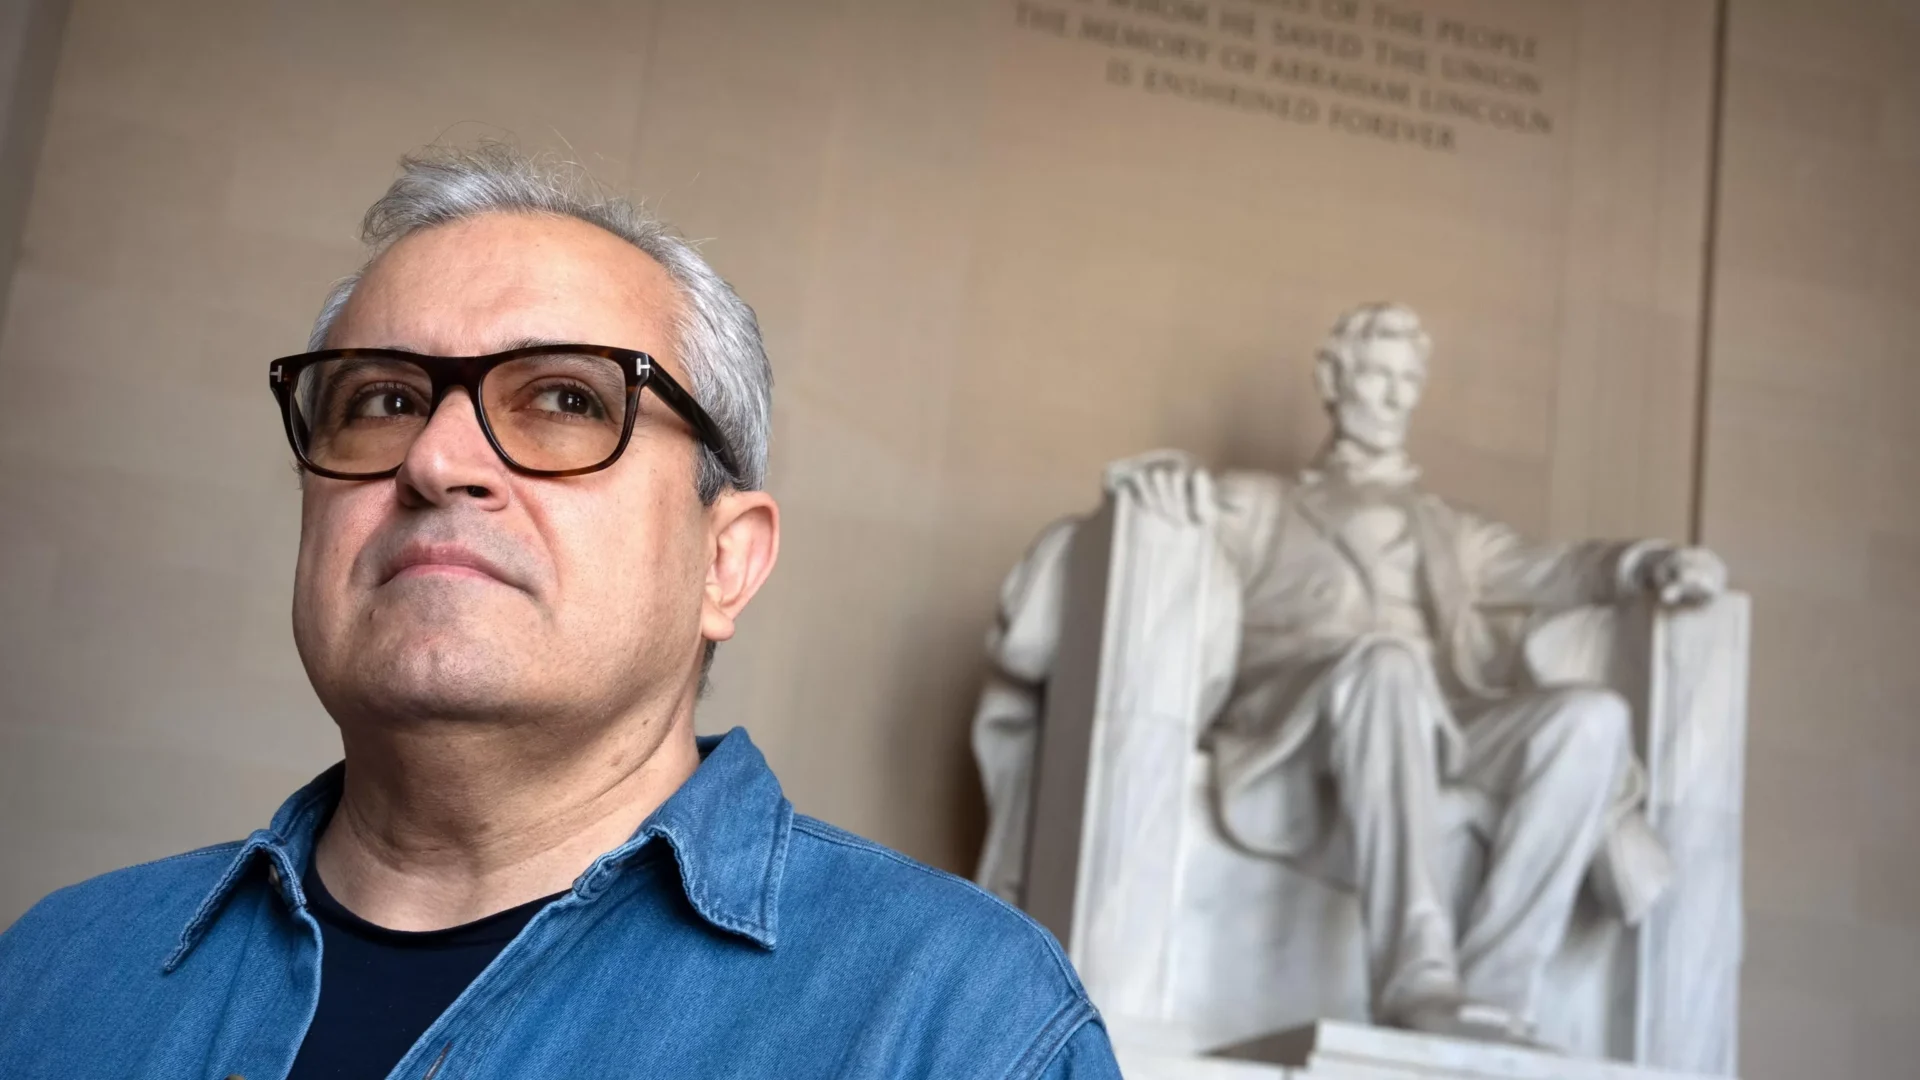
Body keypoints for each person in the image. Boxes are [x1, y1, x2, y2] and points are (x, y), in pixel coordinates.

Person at [0, 143, 1121, 1079]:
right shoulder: (54, 973)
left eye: (567, 399)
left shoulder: (962, 1026)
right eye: (382, 399)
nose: (437, 460)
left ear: (725, 562)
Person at [974, 303, 1726, 1044]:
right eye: (1378, 376)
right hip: (1297, 720)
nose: (1396, 398)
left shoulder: (1449, 529)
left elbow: (1557, 569)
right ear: (1333, 381)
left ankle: (1497, 994)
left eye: (1409, 381)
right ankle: (1417, 976)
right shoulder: (1264, 503)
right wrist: (1161, 476)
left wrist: (1646, 564)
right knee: (1387, 662)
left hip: (1436, 725)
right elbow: (1169, 495)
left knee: (1591, 719)